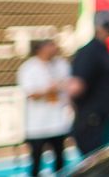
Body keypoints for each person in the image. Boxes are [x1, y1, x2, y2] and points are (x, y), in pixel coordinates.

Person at [68, 10, 109, 156]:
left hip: (108, 122)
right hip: (94, 125)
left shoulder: (104, 50)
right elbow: (75, 87)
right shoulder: (89, 52)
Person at [16, 38, 71, 176]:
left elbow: (69, 84)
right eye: (50, 45)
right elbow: (30, 93)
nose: (54, 48)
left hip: (57, 122)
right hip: (37, 125)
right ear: (40, 49)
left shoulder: (61, 64)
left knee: (60, 159)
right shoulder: (28, 67)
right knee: (36, 161)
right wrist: (50, 89)